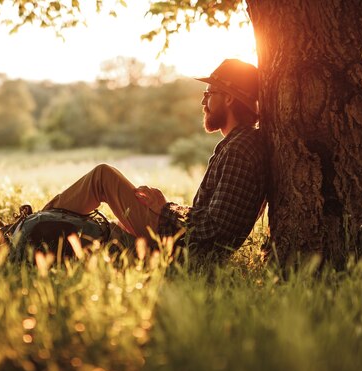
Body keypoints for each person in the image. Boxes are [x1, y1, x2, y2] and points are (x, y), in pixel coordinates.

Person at [42, 59, 268, 259]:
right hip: (185, 240)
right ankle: (35, 228)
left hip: (188, 249)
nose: (203, 103)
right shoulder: (239, 144)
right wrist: (166, 208)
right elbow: (211, 218)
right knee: (111, 225)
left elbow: (215, 231)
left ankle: (29, 227)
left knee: (102, 177)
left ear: (228, 98)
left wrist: (165, 209)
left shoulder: (239, 150)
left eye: (208, 94)